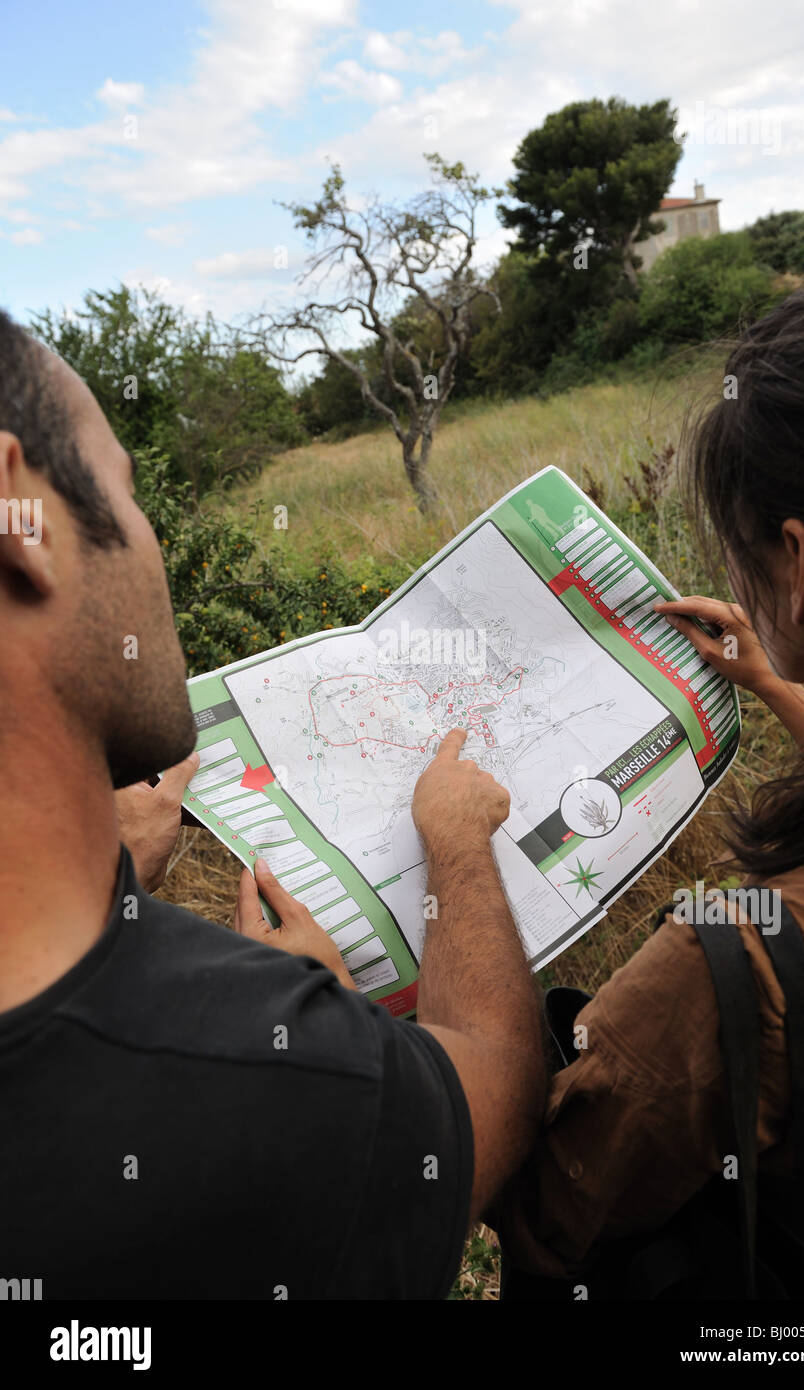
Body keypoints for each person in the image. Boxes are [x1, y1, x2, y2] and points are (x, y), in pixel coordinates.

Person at [0, 309, 545, 1300]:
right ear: (19, 514)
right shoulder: (276, 1075)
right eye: (126, 489)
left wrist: (102, 880)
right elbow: (499, 1087)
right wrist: (456, 845)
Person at [492, 276, 804, 1291]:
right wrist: (777, 684)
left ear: (797, 560)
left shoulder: (735, 959)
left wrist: (453, 862)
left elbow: (548, 1213)